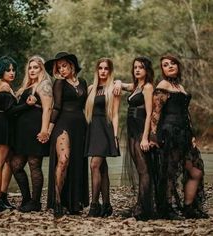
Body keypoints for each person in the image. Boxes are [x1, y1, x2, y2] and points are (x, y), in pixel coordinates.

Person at [149, 54, 208, 219]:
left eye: (172, 63)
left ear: (178, 66)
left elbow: (186, 112)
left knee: (195, 171)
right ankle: (166, 209)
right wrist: (153, 136)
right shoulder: (163, 85)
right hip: (170, 132)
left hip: (184, 133)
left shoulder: (180, 86)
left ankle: (188, 207)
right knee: (170, 171)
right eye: (165, 65)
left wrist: (192, 135)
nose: (169, 66)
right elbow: (156, 112)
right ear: (162, 70)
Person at [0, 56, 35, 213]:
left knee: (8, 163)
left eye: (13, 70)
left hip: (6, 126)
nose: (12, 72)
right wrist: (27, 105)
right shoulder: (2, 86)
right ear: (2, 71)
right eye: (8, 70)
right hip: (1, 126)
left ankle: (3, 197)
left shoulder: (7, 86)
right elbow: (10, 110)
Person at [45, 52, 89, 216]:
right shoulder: (59, 83)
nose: (61, 70)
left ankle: (73, 204)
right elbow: (56, 107)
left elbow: (88, 103)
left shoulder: (83, 82)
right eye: (59, 67)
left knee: (76, 162)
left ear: (72, 65)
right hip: (63, 123)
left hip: (80, 125)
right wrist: (48, 130)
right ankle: (57, 201)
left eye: (64, 66)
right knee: (63, 160)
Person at [10, 55, 53, 212]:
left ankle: (35, 202)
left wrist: (44, 130)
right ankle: (26, 199)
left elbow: (48, 108)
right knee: (16, 165)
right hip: (22, 132)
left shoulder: (44, 85)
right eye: (30, 67)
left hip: (36, 129)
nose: (32, 70)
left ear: (41, 69)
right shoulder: (26, 86)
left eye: (36, 67)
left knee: (34, 165)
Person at [117, 57, 154, 220]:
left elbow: (149, 114)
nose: (137, 70)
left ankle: (143, 208)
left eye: (141, 67)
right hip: (131, 129)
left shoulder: (147, 87)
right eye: (135, 67)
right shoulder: (136, 86)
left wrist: (145, 137)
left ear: (147, 70)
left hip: (140, 129)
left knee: (144, 169)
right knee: (140, 169)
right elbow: (123, 85)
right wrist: (118, 82)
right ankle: (141, 204)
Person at [84, 58, 121, 217]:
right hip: (93, 128)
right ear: (97, 70)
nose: (103, 71)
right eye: (100, 68)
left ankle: (94, 205)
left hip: (105, 130)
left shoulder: (113, 88)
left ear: (110, 71)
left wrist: (115, 135)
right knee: (102, 167)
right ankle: (106, 205)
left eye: (106, 68)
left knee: (94, 165)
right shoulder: (91, 88)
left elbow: (115, 114)